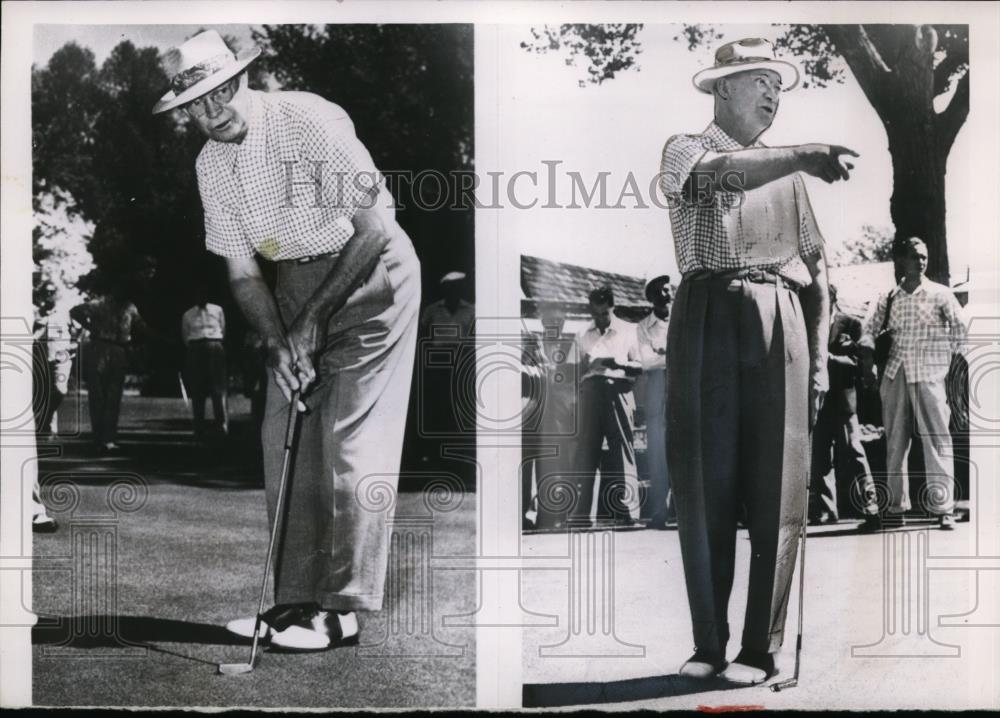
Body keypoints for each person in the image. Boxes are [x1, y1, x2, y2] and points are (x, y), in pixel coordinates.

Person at [153, 30, 421, 651]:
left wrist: (310, 323)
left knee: (349, 442)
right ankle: (295, 603)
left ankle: (342, 612)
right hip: (295, 284)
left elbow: (376, 226)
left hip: (373, 276)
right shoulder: (209, 164)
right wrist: (278, 342)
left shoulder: (307, 119)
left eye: (216, 92)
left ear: (238, 79)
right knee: (283, 437)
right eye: (192, 104)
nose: (208, 112)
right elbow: (243, 273)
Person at [659, 37, 855, 683]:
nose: (773, 92)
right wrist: (803, 153)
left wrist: (822, 358)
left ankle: (759, 648)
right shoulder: (685, 147)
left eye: (778, 82)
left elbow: (819, 273)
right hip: (707, 308)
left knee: (778, 484)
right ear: (721, 88)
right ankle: (708, 643)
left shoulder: (790, 176)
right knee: (704, 481)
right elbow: (713, 177)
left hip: (780, 314)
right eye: (758, 80)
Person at [859, 237, 967, 530]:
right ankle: (895, 507)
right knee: (895, 441)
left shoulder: (941, 294)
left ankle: (943, 508)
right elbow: (867, 332)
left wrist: (952, 366)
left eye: (924, 256)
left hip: (930, 373)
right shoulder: (888, 296)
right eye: (915, 256)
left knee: (937, 440)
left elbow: (961, 330)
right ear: (901, 261)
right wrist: (868, 365)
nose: (921, 261)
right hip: (895, 373)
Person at [809, 284, 881, 532]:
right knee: (820, 457)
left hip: (843, 400)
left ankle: (871, 508)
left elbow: (859, 362)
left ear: (831, 298)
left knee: (854, 451)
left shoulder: (850, 323)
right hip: (819, 400)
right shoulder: (808, 324)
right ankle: (826, 511)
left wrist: (828, 358)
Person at [571, 286, 642, 527]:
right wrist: (586, 363)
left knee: (622, 450)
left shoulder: (628, 330)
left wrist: (618, 363)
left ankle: (626, 513)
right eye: (596, 314)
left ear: (613, 308)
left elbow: (640, 366)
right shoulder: (581, 333)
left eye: (605, 313)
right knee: (586, 452)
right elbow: (571, 372)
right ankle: (582, 515)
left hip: (619, 390)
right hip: (590, 392)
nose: (601, 318)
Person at [521, 300, 579, 531]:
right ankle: (523, 514)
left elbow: (569, 378)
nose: (553, 325)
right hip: (532, 412)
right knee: (527, 463)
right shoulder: (532, 343)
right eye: (549, 321)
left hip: (558, 414)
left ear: (564, 323)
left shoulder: (569, 345)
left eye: (558, 321)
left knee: (555, 465)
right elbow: (522, 372)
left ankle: (554, 516)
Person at [70, 289, 146, 453]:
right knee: (97, 393)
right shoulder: (100, 303)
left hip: (119, 348)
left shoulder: (130, 307)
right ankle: (99, 437)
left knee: (113, 394)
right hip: (100, 346)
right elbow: (75, 311)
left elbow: (141, 326)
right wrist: (90, 326)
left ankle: (108, 437)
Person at [636, 275, 674, 529]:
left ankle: (684, 512)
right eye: (659, 290)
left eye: (668, 288)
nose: (666, 293)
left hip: (682, 387)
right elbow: (646, 361)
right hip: (657, 386)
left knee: (685, 449)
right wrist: (673, 355)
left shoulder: (685, 319)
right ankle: (659, 511)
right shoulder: (642, 327)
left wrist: (665, 352)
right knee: (658, 451)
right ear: (651, 298)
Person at [180, 291, 229, 438]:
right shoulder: (188, 314)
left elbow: (223, 329)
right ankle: (198, 427)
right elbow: (185, 335)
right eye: (198, 295)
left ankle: (221, 425)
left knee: (218, 388)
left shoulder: (218, 310)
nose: (201, 297)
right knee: (198, 388)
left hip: (214, 345)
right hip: (196, 347)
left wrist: (214, 343)